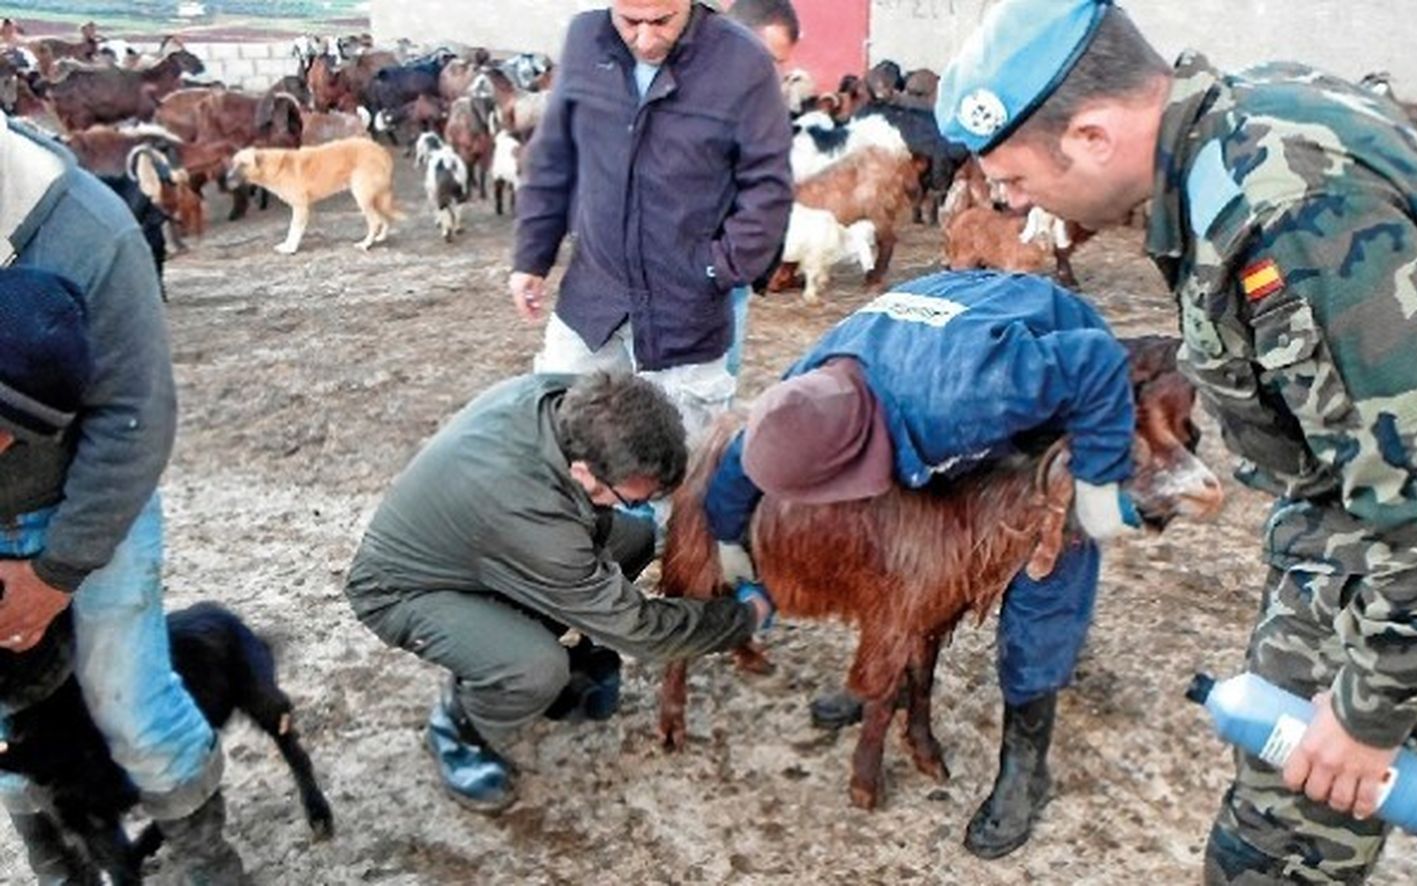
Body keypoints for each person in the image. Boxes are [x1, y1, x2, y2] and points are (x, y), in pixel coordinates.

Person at [935, 1, 1417, 881]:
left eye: (1012, 179)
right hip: (1381, 524)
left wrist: (1366, 717)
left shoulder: (1284, 217)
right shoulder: (1269, 103)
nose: (1009, 203)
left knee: (1281, 848)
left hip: (1416, 567)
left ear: (1092, 136)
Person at [702, 270, 1145, 858]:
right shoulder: (803, 389)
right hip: (948, 337)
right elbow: (743, 460)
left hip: (1062, 376)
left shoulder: (964, 395)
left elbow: (1095, 360)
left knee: (1040, 576)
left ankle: (1024, 769)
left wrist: (1097, 476)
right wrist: (729, 536)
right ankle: (880, 678)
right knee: (910, 559)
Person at [0, 113, 248, 884]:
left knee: (128, 700)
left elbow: (134, 420)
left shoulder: (87, 232)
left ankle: (205, 853)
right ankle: (52, 848)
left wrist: (57, 571)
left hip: (80, 501)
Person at [344, 371, 772, 814]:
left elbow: (612, 525)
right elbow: (642, 631)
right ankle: (459, 729)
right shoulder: (537, 521)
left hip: (476, 546)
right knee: (536, 669)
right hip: (405, 590)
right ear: (583, 473)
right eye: (627, 497)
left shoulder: (574, 402)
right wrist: (744, 617)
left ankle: (511, 645)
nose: (637, 503)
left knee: (634, 537)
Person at [509, 0, 793, 439]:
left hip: (685, 316)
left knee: (681, 472)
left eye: (662, 21)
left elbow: (769, 186)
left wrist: (717, 267)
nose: (645, 39)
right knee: (562, 444)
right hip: (592, 302)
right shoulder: (585, 40)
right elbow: (553, 157)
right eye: (630, 22)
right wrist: (531, 256)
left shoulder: (742, 61)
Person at [723, 0, 802, 376]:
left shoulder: (761, 110)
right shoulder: (679, 104)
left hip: (730, 281)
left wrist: (752, 265)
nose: (775, 76)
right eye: (768, 59)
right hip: (685, 284)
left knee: (719, 384)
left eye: (780, 65)